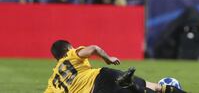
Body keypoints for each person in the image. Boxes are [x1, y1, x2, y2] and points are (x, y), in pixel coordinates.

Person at [44, 40, 187, 93]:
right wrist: (108, 58)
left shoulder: (52, 81)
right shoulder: (70, 54)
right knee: (155, 87)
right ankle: (131, 85)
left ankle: (131, 86)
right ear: (68, 47)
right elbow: (94, 48)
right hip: (103, 76)